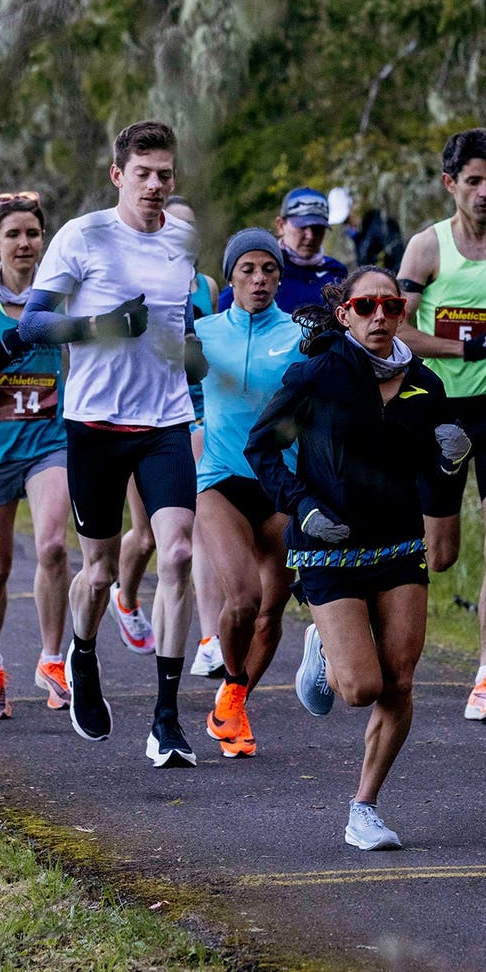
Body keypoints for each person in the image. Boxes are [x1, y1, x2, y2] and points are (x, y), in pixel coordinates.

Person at [247, 267, 472, 850]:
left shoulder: (424, 385)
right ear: (343, 313)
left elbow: (436, 481)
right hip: (330, 547)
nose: (379, 316)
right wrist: (301, 507)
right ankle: (325, 645)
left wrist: (451, 462)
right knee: (360, 689)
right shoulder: (317, 376)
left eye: (390, 306)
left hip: (398, 544)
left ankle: (364, 807)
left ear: (402, 312)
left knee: (399, 680)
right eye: (366, 306)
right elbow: (263, 448)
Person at [20, 120, 209, 767]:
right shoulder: (82, 236)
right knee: (97, 572)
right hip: (96, 426)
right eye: (143, 174)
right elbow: (34, 323)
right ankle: (82, 653)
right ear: (117, 175)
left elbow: (180, 320)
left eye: (165, 174)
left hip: (165, 423)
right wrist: (99, 325)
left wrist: (193, 353)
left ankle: (166, 718)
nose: (155, 184)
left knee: (177, 553)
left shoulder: (181, 242)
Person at [396, 128, 486, 722]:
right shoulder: (425, 249)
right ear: (450, 184)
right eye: (473, 181)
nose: (485, 192)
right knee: (440, 555)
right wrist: (460, 348)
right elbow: (396, 329)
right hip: (441, 413)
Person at [0, 191, 72, 719]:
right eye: (13, 234)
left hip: (50, 442)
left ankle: (52, 660)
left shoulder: (60, 297)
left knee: (52, 546)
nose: (24, 243)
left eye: (33, 233)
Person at [195, 229, 303, 757]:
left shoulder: (300, 334)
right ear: (231, 278)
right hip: (221, 480)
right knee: (242, 600)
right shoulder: (204, 333)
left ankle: (233, 700)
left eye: (269, 270)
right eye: (248, 270)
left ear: (280, 277)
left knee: (271, 611)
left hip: (281, 484)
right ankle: (233, 682)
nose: (259, 279)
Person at [165, 195, 229, 680]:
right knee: (150, 539)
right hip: (158, 412)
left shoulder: (207, 286)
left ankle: (209, 639)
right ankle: (124, 595)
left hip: (206, 410)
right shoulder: (140, 281)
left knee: (201, 530)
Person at [217, 186, 349, 312]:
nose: (310, 236)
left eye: (317, 228)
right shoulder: (263, 271)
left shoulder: (336, 273)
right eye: (302, 227)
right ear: (280, 225)